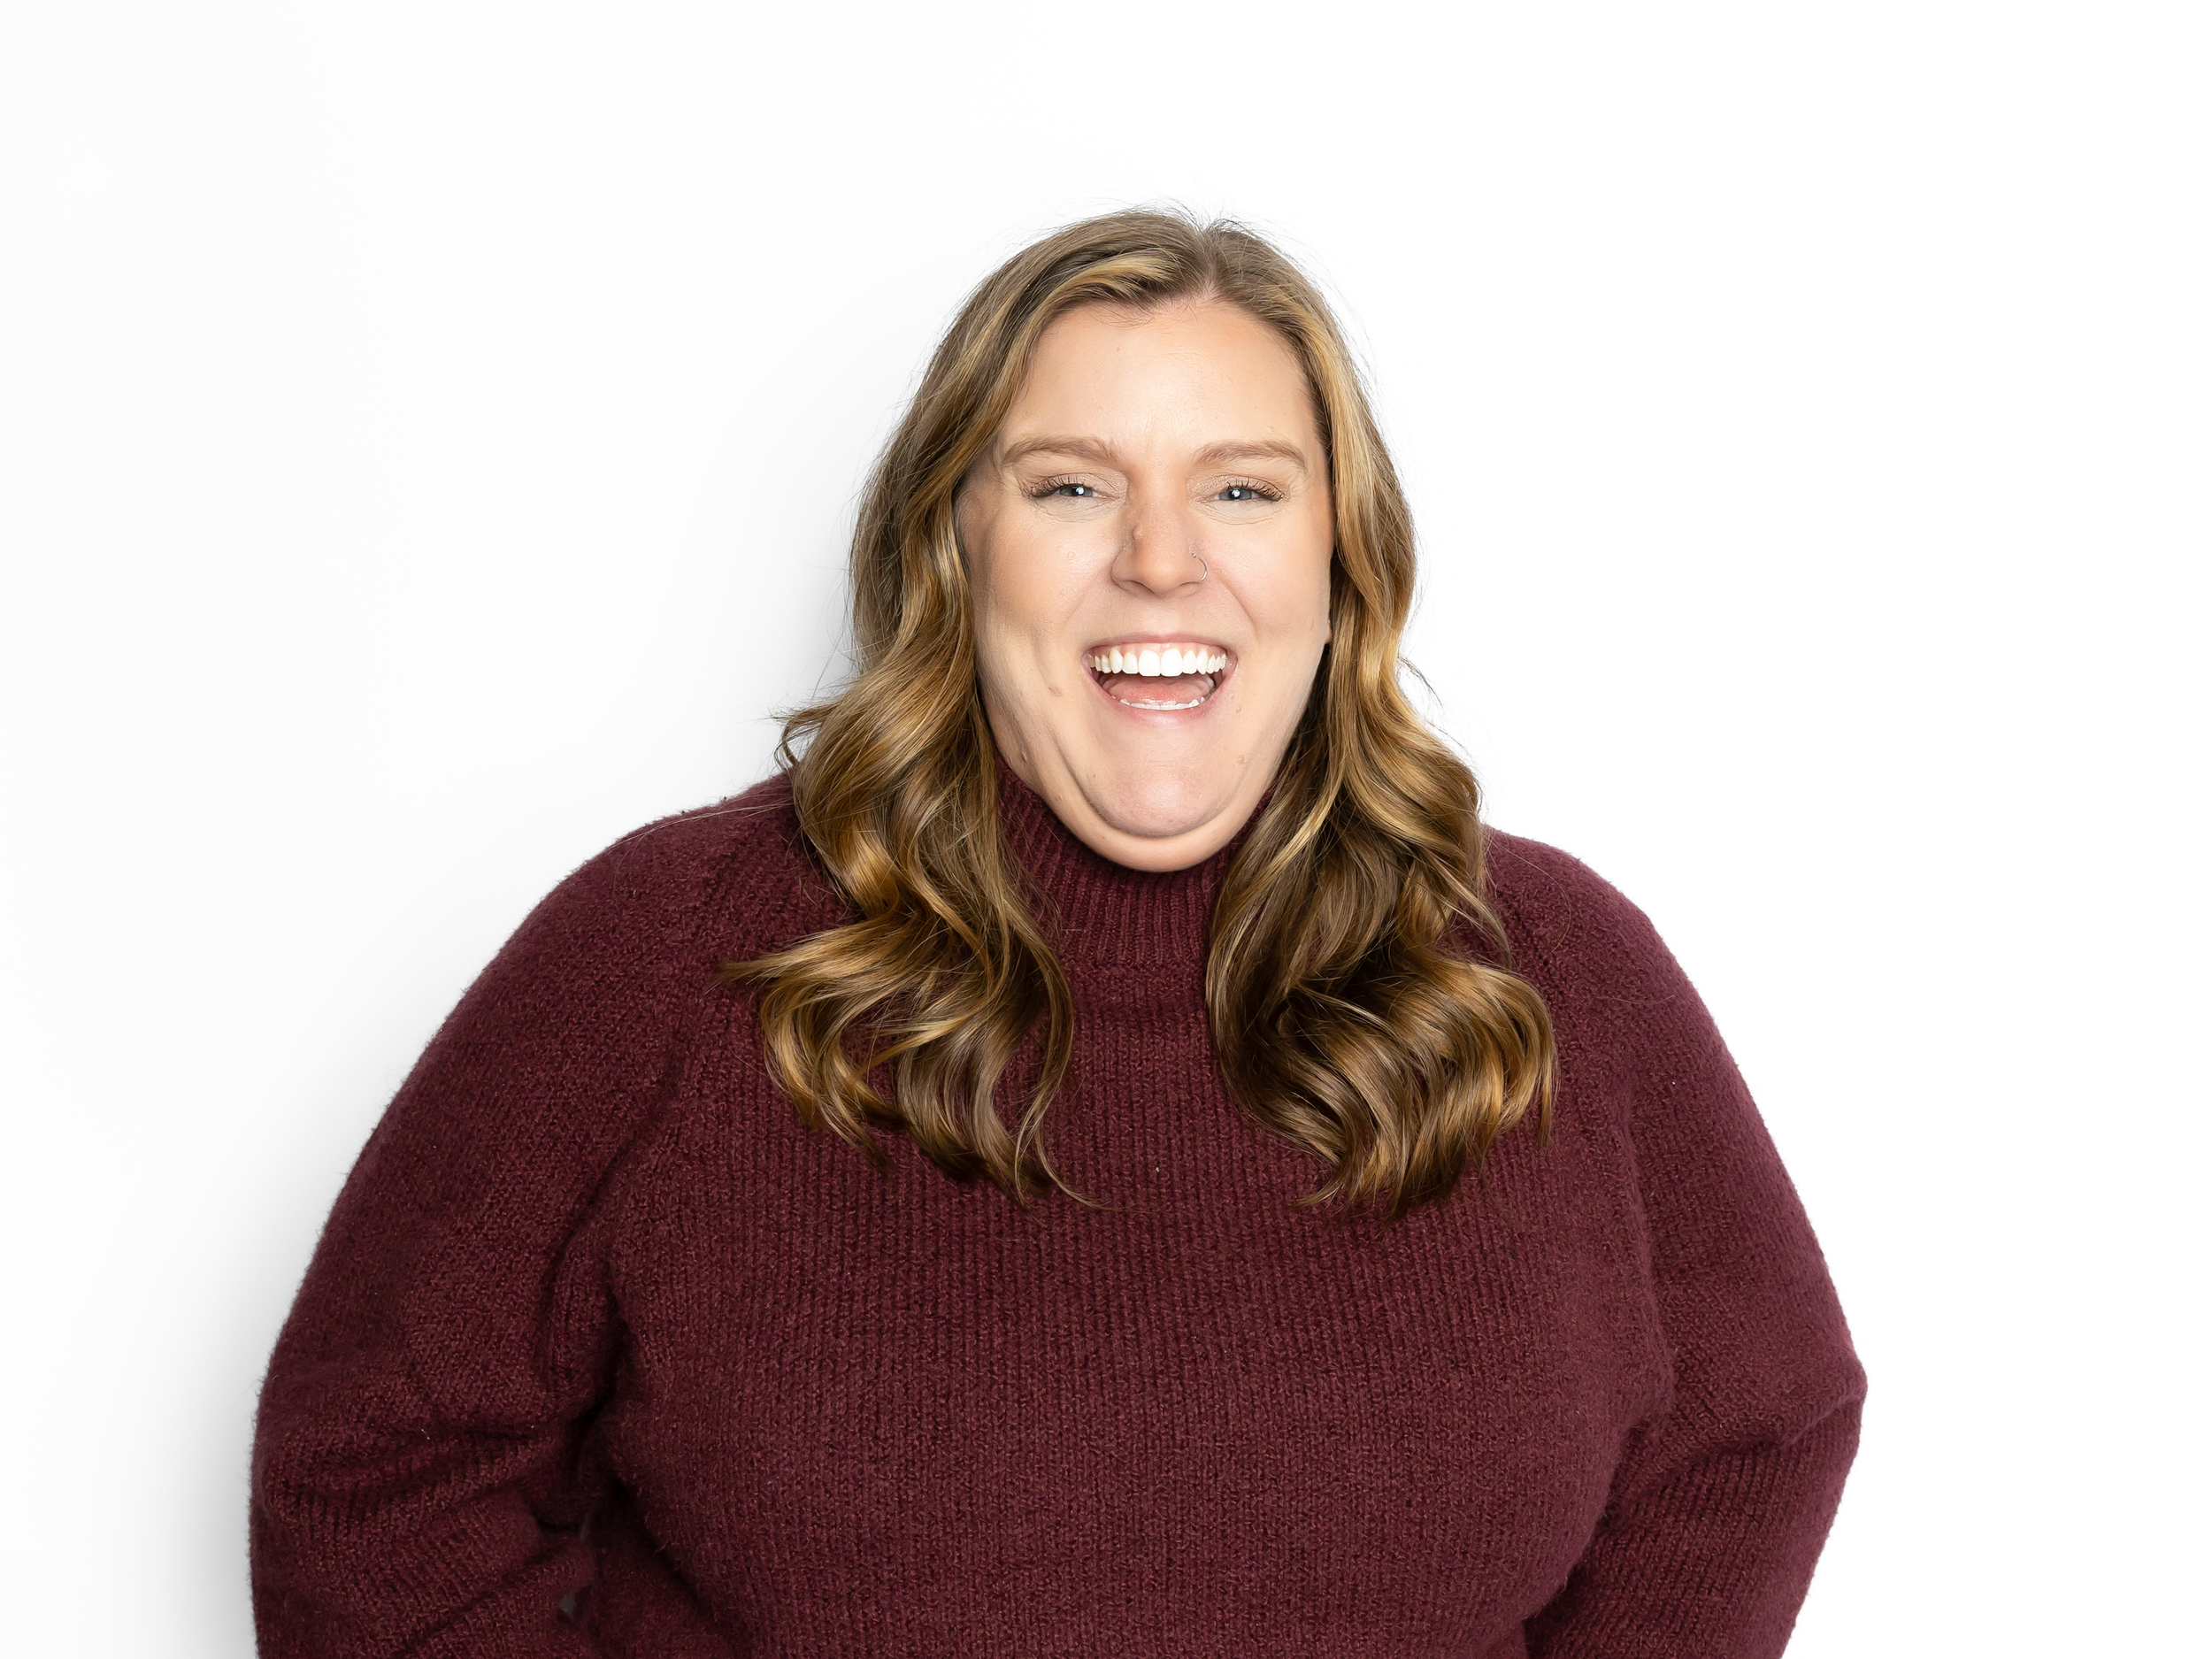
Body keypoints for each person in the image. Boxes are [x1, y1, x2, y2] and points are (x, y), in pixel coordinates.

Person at [250, 210, 1863, 1657]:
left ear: (1339, 561)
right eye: (1073, 486)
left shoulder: (1556, 975)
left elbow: (1758, 1427)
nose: (1163, 558)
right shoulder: (673, 956)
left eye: (1241, 487)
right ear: (956, 544)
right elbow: (372, 1466)